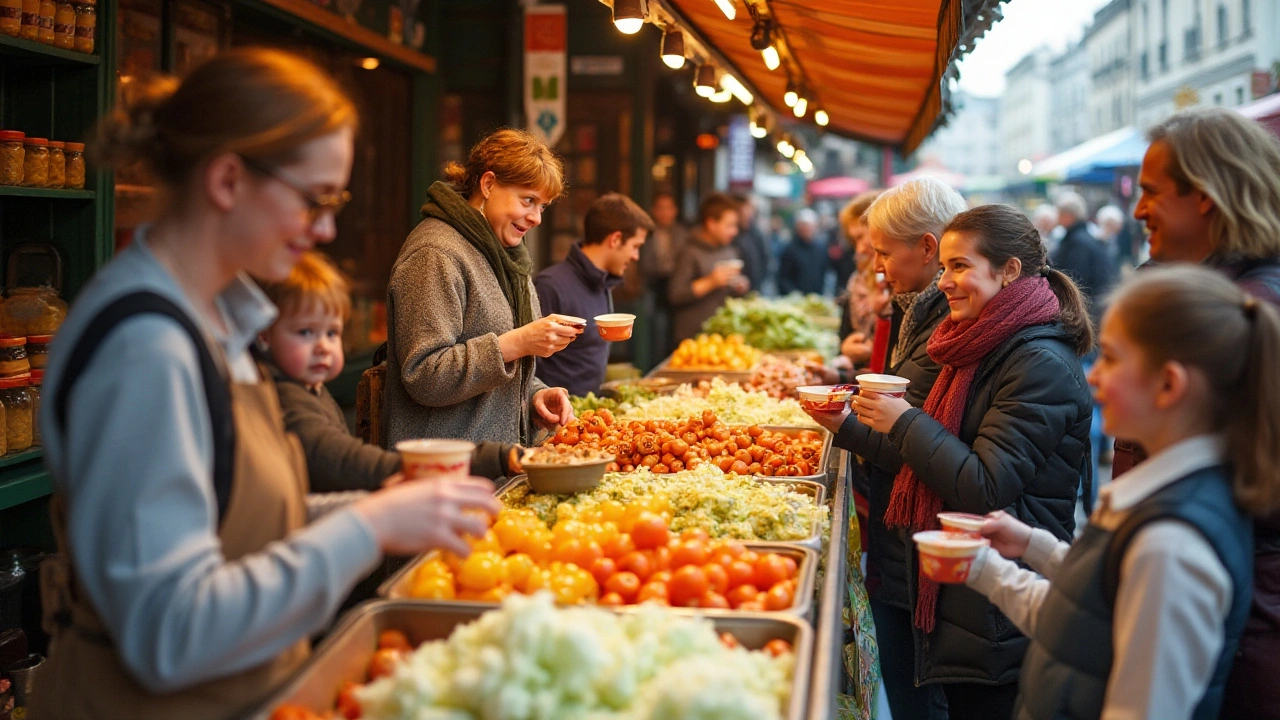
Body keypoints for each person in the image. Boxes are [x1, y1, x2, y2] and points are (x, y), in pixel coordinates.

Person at [30, 49, 501, 720]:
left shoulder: (222, 324)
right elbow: (170, 632)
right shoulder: (146, 348)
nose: (328, 228)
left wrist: (377, 511)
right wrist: (367, 526)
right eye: (315, 200)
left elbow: (230, 526)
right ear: (227, 180)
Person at [966, 266, 1277, 719]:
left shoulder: (1170, 546)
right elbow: (1086, 624)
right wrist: (1014, 555)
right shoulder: (1162, 501)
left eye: (1111, 358)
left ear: (1169, 385)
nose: (1094, 378)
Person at [842, 204, 1094, 719]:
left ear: (1009, 271)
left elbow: (984, 483)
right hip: (973, 604)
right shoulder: (980, 341)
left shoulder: (1037, 362)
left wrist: (903, 421)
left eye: (960, 267)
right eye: (944, 269)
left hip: (1004, 609)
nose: (946, 283)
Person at [1120, 106, 1280, 719]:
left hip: (1241, 632)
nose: (1138, 210)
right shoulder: (1208, 296)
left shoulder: (1246, 314)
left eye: (1152, 193)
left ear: (1207, 197)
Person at [808, 179, 964, 720]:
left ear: (927, 246)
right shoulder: (913, 307)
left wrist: (842, 425)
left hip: (924, 539)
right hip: (906, 539)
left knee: (919, 691)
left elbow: (912, 434)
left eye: (882, 252)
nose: (876, 266)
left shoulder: (945, 321)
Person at [259, 251, 520, 491]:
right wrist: (476, 461)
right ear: (264, 335)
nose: (323, 347)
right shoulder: (284, 398)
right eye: (305, 332)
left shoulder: (311, 389)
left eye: (331, 333)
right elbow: (341, 461)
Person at [384, 128, 578, 448]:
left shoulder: (506, 255)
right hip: (446, 474)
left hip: (497, 464)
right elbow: (425, 376)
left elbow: (496, 372)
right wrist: (517, 343)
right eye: (528, 200)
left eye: (543, 206)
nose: (536, 218)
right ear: (488, 185)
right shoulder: (436, 253)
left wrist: (535, 395)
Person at [533, 193, 651, 397]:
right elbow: (530, 367)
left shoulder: (603, 282)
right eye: (635, 246)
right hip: (555, 418)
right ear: (615, 239)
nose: (636, 256)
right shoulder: (550, 286)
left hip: (589, 414)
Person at [667, 192, 749, 343]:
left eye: (735, 226)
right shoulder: (689, 252)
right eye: (729, 225)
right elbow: (675, 295)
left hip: (723, 334)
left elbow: (730, 293)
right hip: (693, 338)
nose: (734, 231)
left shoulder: (730, 250)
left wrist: (739, 286)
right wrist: (711, 281)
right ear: (711, 224)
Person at [1053, 191, 1117, 324]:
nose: (1057, 218)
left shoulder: (1077, 242)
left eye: (1059, 214)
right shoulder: (1085, 238)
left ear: (1068, 216)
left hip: (1086, 314)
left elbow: (1076, 280)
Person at [639, 191, 689, 364]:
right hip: (653, 290)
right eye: (660, 208)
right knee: (654, 335)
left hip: (678, 290)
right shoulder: (646, 234)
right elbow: (643, 264)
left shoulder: (683, 234)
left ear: (675, 210)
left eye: (669, 208)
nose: (665, 213)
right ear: (654, 210)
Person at [777, 207, 831, 296]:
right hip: (796, 300)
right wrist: (793, 293)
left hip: (816, 297)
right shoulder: (790, 249)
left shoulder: (821, 248)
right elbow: (783, 277)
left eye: (809, 226)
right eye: (803, 226)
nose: (807, 229)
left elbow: (824, 271)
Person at [732, 193, 771, 294]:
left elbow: (765, 257)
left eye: (751, 209)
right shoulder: (731, 235)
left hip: (754, 289)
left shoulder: (754, 232)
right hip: (736, 292)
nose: (750, 213)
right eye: (747, 208)